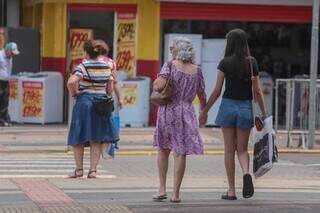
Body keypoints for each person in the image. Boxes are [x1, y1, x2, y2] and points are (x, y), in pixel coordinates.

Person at [199, 29, 267, 200]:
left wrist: (204, 110)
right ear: (244, 43)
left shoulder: (224, 63)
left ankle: (231, 191)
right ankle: (246, 174)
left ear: (229, 43)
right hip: (245, 108)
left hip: (228, 106)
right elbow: (257, 91)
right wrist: (264, 113)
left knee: (229, 150)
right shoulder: (252, 63)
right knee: (242, 150)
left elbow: (216, 91)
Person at [153, 37, 206, 203]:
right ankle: (175, 194)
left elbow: (157, 86)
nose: (170, 50)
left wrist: (160, 77)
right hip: (187, 111)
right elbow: (202, 94)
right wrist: (203, 111)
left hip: (168, 110)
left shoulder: (170, 65)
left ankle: (162, 189)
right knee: (180, 152)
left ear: (178, 50)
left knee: (163, 149)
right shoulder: (197, 70)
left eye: (172, 48)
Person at [67, 40, 119, 178]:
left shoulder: (82, 67)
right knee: (96, 138)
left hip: (84, 104)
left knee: (78, 137)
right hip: (101, 105)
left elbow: (71, 82)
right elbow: (110, 89)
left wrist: (74, 93)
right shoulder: (107, 67)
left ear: (86, 52)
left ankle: (79, 170)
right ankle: (93, 171)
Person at [0, 42, 20, 126]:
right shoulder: (0, 56)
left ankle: (4, 119)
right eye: (12, 53)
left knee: (5, 101)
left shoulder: (10, 58)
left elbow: (8, 69)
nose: (13, 55)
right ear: (7, 50)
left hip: (6, 82)